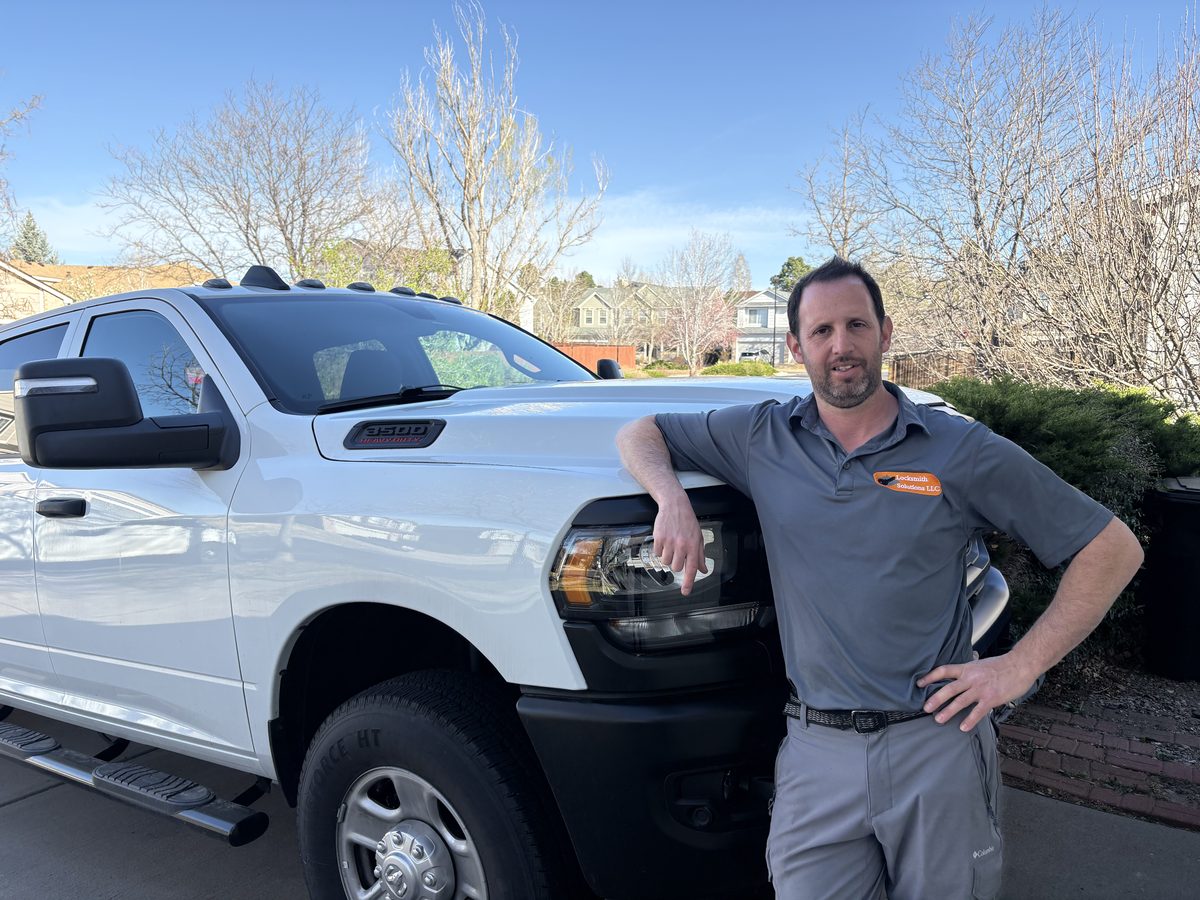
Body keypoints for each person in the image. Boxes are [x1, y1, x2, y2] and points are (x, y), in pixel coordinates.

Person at [615, 256, 1143, 900]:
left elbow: (1113, 548)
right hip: (815, 749)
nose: (841, 346)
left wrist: (1019, 666)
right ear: (795, 345)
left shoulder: (959, 449)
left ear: (885, 334)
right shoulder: (762, 437)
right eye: (821, 331)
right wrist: (671, 497)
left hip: (935, 742)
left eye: (856, 325)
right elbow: (642, 431)